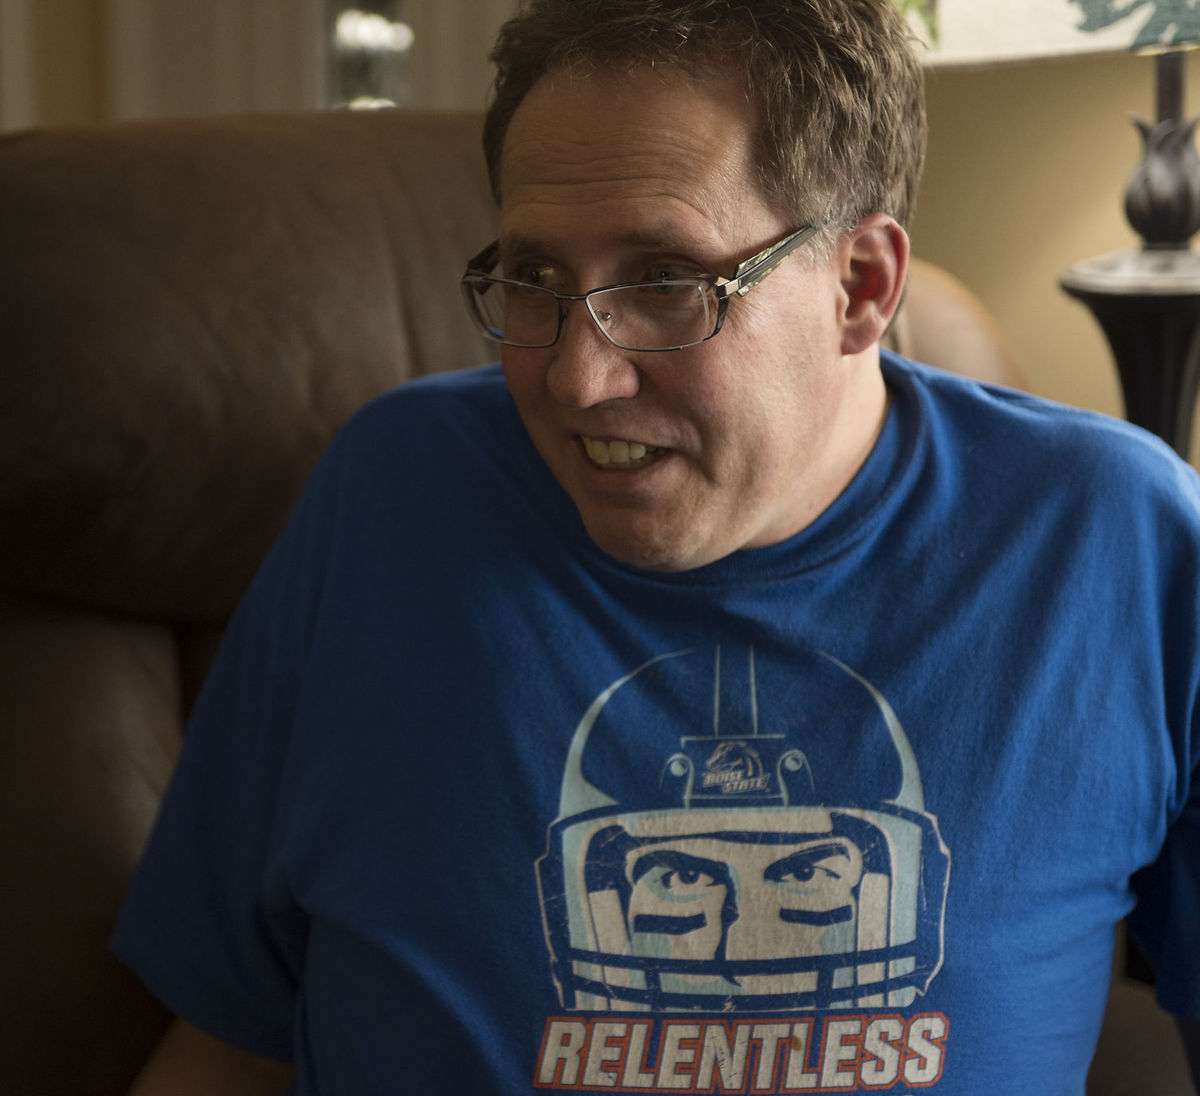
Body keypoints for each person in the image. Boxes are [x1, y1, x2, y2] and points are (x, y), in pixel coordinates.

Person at [115, 1, 1200, 1093]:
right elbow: (228, 1031)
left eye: (668, 280)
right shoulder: (391, 501)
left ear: (861, 286)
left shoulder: (1112, 542)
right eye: (536, 279)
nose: (579, 379)